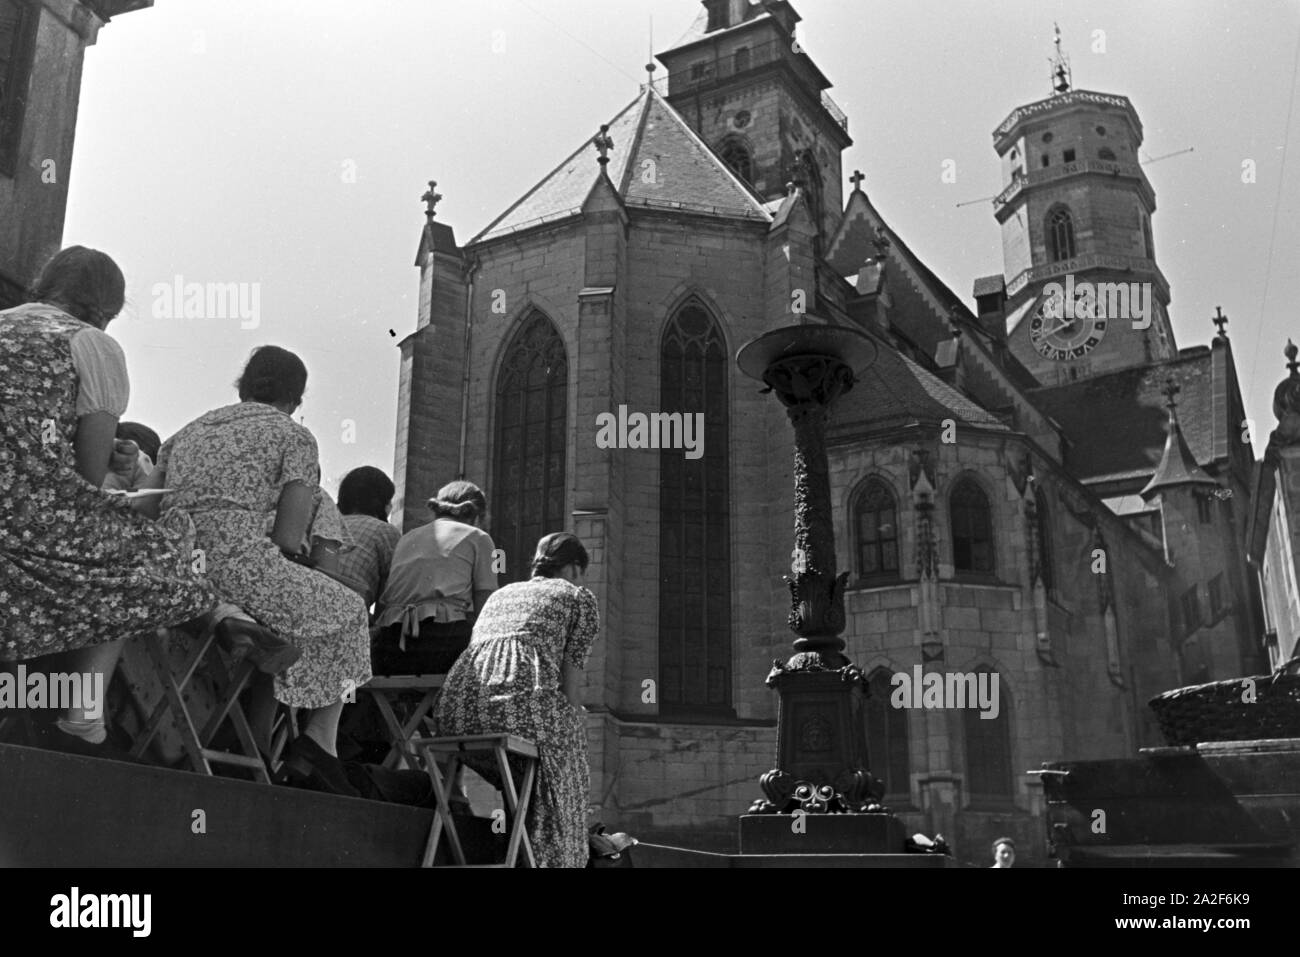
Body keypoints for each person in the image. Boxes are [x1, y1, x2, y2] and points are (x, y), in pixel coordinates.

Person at [0, 247, 219, 757]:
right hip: (30, 529)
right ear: (107, 311)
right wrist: (121, 473)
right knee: (166, 552)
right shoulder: (92, 345)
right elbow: (88, 473)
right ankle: (83, 714)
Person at [146, 345, 372, 795]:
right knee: (349, 612)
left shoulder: (186, 431)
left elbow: (149, 507)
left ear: (244, 385)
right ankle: (317, 743)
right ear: (297, 397)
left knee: (289, 620)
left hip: (174, 565)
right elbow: (288, 540)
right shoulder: (294, 436)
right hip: (239, 566)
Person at [433, 532, 600, 868]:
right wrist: (576, 716)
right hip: (518, 712)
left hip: (455, 710)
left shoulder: (501, 595)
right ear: (573, 568)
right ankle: (556, 860)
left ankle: (519, 843)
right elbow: (571, 687)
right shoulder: (577, 597)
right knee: (570, 753)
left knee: (528, 769)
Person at [373, 481, 497, 675]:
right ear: (478, 516)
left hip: (392, 643)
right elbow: (485, 602)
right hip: (441, 641)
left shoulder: (407, 537)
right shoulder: (480, 538)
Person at [334, 466, 401, 613]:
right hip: (346, 613)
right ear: (381, 502)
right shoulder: (385, 531)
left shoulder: (327, 522)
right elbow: (389, 598)